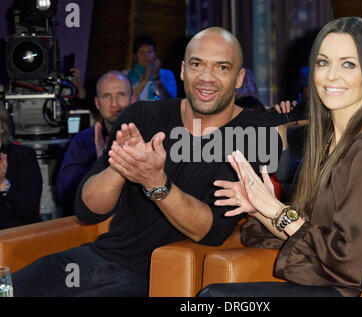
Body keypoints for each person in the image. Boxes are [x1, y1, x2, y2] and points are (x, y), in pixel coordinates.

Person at [11, 27, 285, 297]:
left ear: (239, 78)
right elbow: (88, 210)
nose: (206, 78)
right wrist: (122, 165)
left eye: (221, 67)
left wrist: (156, 183)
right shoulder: (143, 114)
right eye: (197, 64)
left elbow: (211, 231)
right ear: (182, 70)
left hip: (154, 278)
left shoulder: (254, 135)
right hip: (97, 258)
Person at [200, 17, 362, 297]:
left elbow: (349, 258)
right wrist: (258, 207)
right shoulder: (329, 140)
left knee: (217, 299)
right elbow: (307, 233)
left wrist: (276, 209)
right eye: (322, 62)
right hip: (332, 283)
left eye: (348, 64)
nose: (331, 75)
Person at [55, 71, 135, 217]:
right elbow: (63, 192)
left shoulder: (149, 138)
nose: (114, 104)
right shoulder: (84, 141)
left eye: (121, 95)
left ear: (133, 99)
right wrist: (100, 166)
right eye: (106, 96)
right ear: (97, 103)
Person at [0, 104, 43, 230]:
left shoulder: (23, 156)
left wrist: (3, 185)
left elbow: (30, 210)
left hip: (18, 237)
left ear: (2, 127)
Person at [124, 35, 177, 101]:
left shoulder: (167, 74)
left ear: (155, 54)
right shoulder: (125, 75)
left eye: (149, 52)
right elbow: (125, 100)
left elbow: (171, 99)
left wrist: (156, 77)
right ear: (135, 56)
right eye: (141, 52)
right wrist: (145, 80)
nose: (146, 55)